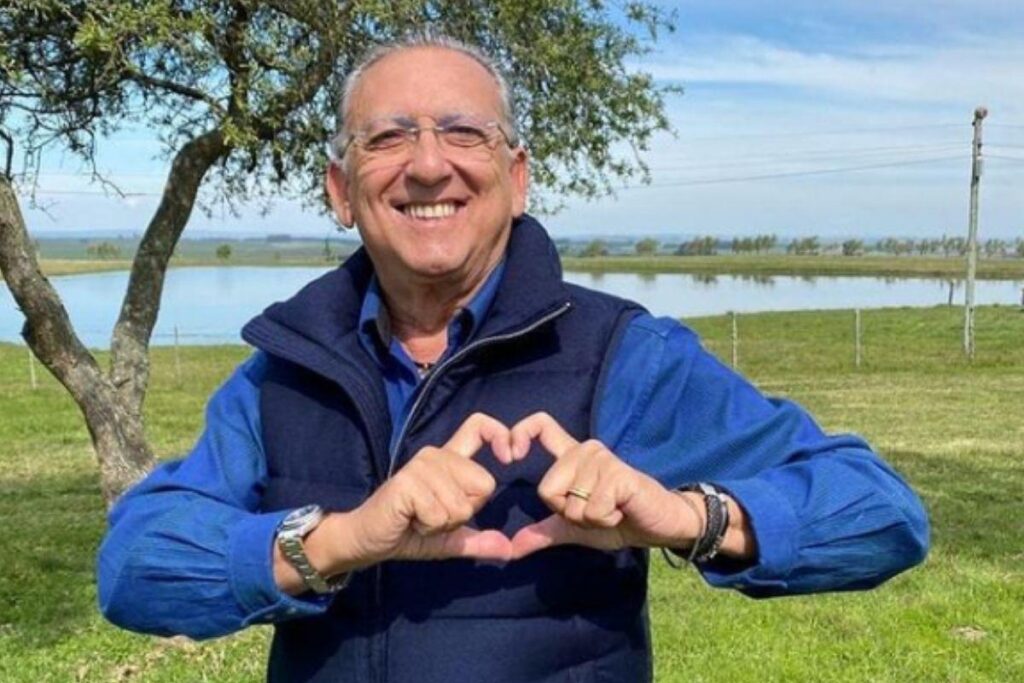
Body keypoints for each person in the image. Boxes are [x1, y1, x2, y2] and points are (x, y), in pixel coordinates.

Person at [97, 34, 929, 683]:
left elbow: (881, 513)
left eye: (464, 132)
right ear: (341, 190)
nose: (430, 165)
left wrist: (689, 517)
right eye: (388, 137)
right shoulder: (288, 367)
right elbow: (135, 566)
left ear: (517, 176)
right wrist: (339, 539)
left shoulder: (619, 354)